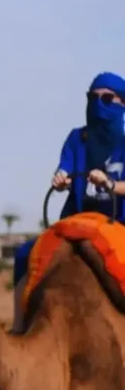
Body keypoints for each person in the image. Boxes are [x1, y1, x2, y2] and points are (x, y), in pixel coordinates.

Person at [11, 71, 125, 332]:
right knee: (23, 255)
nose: (98, 104)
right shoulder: (77, 139)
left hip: (117, 225)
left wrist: (109, 184)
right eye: (92, 97)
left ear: (123, 104)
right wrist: (61, 180)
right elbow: (65, 170)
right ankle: (19, 328)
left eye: (107, 98)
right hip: (76, 223)